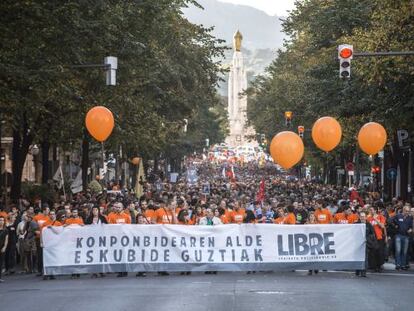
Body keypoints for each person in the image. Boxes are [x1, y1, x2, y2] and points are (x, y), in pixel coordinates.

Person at [392, 206, 413, 270]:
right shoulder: (398, 216)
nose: (407, 212)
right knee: (398, 250)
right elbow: (391, 220)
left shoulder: (410, 218)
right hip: (398, 235)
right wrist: (394, 226)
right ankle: (398, 264)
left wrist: (410, 229)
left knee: (404, 251)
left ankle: (403, 265)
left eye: (408, 211)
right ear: (403, 210)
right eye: (406, 211)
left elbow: (411, 226)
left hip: (406, 236)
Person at [356, 211, 375, 277]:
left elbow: (373, 234)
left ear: (366, 217)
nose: (362, 218)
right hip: (357, 244)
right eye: (361, 216)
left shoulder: (369, 225)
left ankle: (363, 272)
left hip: (366, 244)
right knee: (357, 258)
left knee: (365, 258)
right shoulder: (355, 224)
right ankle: (357, 271)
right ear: (359, 217)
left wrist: (367, 238)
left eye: (363, 216)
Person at [367, 207, 386, 272]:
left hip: (379, 237)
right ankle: (374, 266)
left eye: (371, 210)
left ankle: (379, 266)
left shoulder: (381, 217)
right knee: (373, 252)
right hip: (372, 238)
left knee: (379, 252)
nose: (370, 211)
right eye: (370, 210)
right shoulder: (368, 218)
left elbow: (382, 226)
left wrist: (376, 219)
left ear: (375, 211)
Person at [0, 216, 9, 283]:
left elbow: (6, 239)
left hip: (2, 248)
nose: (1, 222)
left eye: (3, 220)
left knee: (1, 263)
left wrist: (4, 247)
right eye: (0, 220)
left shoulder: (6, 230)